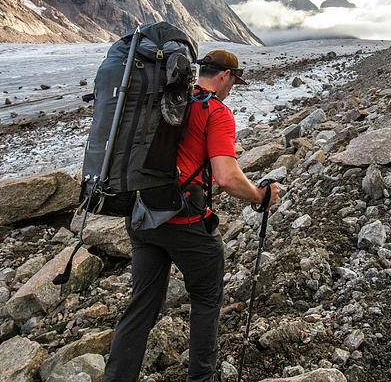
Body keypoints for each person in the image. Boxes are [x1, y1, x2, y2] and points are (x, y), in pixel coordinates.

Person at [102, 49, 280, 382]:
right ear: (224, 76)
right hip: (184, 223)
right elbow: (226, 177)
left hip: (144, 215)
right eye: (233, 82)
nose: (231, 89)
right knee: (206, 298)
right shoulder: (216, 112)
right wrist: (259, 196)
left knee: (140, 308)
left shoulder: (162, 100)